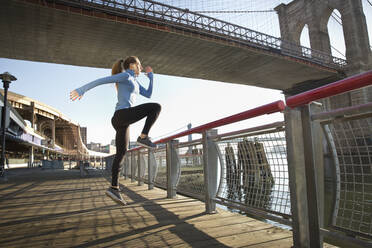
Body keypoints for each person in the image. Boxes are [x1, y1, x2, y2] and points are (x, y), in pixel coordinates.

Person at [70, 56, 161, 205]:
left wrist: (151, 77)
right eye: (139, 64)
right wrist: (81, 90)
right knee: (156, 107)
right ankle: (143, 137)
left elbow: (149, 94)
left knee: (121, 153)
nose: (141, 67)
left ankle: (114, 188)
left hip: (122, 120)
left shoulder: (135, 82)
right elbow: (101, 80)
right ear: (132, 65)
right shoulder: (125, 75)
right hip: (122, 115)